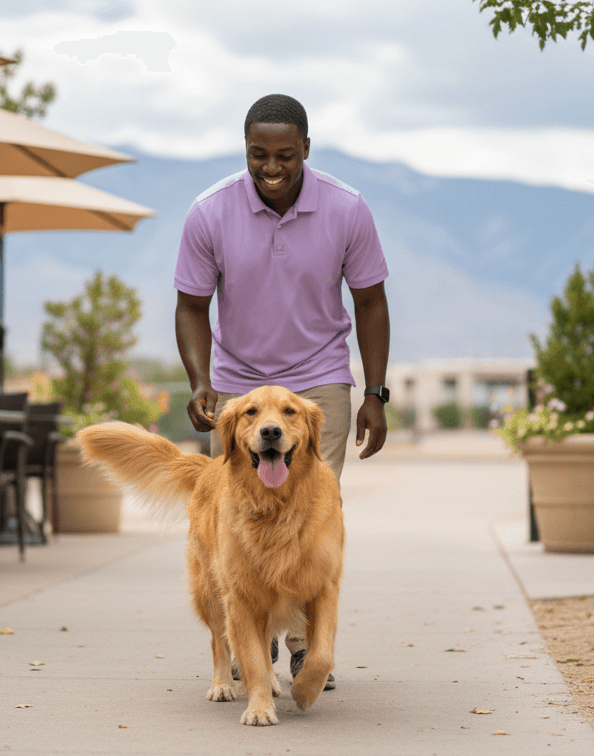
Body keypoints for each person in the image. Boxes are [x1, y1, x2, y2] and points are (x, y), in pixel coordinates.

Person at [174, 93, 392, 691]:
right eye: (258, 155)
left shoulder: (347, 209)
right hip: (241, 384)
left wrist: (374, 390)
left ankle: (302, 646)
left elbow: (370, 301)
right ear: (245, 149)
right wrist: (201, 382)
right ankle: (251, 630)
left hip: (320, 378)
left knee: (316, 505)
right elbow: (191, 306)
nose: (272, 168)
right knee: (238, 509)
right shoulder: (210, 212)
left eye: (286, 156)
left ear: (306, 151)